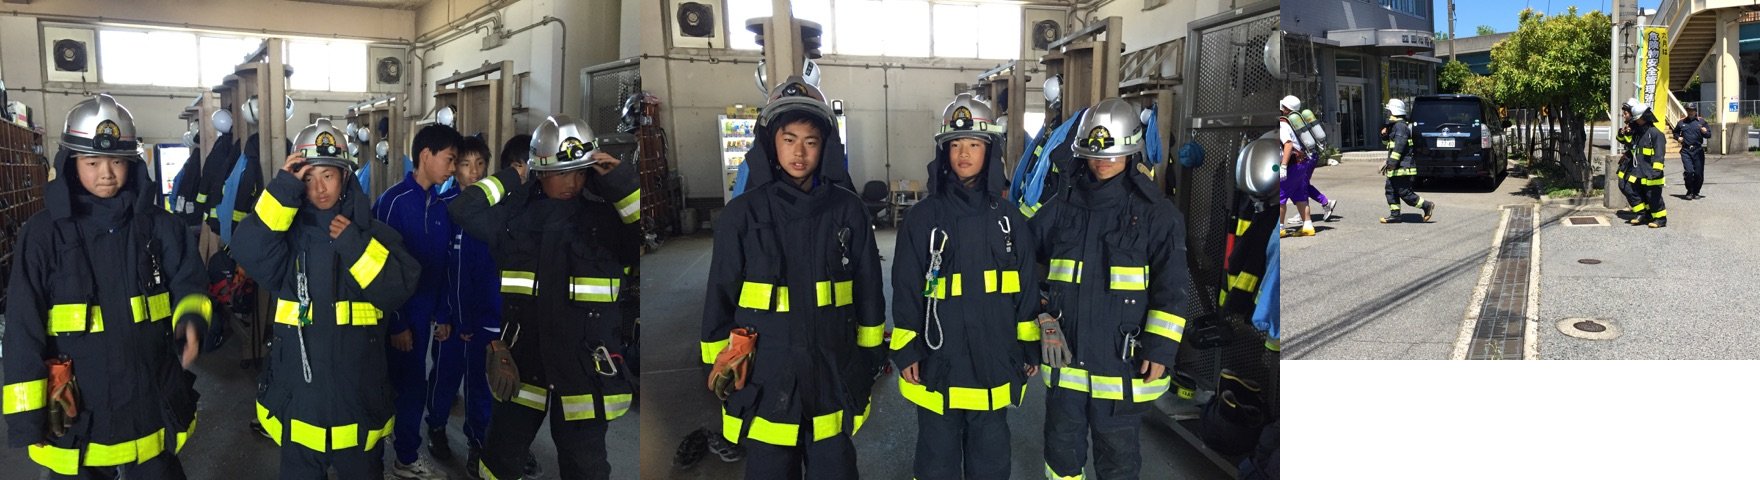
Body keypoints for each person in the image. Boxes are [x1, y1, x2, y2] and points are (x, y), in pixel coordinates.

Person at [3, 94, 214, 479]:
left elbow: (190, 282)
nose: (106, 173)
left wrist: (191, 323)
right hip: (77, 419)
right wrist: (28, 419)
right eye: (92, 162)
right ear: (70, 163)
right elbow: (22, 327)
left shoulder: (160, 227)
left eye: (117, 161)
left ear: (133, 164)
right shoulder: (43, 235)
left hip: (150, 404)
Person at [700, 76, 886, 480]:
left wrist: (868, 361)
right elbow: (720, 295)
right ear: (772, 143)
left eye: (810, 141)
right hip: (766, 378)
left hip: (833, 372)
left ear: (825, 147)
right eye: (789, 140)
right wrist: (718, 364)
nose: (799, 152)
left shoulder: (848, 210)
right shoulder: (741, 215)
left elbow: (869, 290)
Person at [450, 116, 641, 480]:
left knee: (585, 466)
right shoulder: (514, 218)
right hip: (523, 364)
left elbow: (642, 233)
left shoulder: (606, 221)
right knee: (500, 460)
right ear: (539, 171)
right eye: (561, 173)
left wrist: (620, 181)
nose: (572, 183)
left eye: (580, 172)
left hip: (584, 370)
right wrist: (511, 177)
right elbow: (463, 209)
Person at [232, 118, 421, 479]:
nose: (319, 188)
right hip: (300, 407)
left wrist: (355, 246)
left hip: (358, 407)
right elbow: (247, 247)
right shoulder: (285, 241)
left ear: (345, 176)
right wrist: (281, 191)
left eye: (328, 175)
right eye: (308, 178)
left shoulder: (372, 235)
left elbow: (398, 287)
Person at [1030, 98, 1189, 479]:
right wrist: (1037, 309)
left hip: (1120, 364)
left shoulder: (1156, 214)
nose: (1102, 162)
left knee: (1118, 459)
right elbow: (1021, 254)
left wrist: (1160, 348)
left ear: (1132, 151)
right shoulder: (1062, 205)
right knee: (1061, 453)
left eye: (1112, 154)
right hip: (1066, 361)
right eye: (1094, 154)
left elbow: (1171, 287)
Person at [890, 94, 1041, 480]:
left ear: (989, 150)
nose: (963, 154)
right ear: (944, 151)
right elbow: (905, 287)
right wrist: (907, 349)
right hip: (937, 363)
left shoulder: (1008, 220)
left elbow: (1025, 288)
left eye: (973, 144)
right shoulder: (923, 218)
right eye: (955, 144)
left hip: (994, 361)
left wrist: (1029, 346)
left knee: (990, 458)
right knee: (936, 460)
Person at [371, 123, 459, 479]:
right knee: (387, 388)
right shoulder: (392, 203)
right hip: (395, 318)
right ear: (426, 155)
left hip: (424, 316)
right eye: (450, 159)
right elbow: (379, 269)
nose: (453, 168)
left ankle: (405, 455)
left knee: (413, 388)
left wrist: (443, 314)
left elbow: (441, 265)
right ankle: (380, 460)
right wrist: (397, 323)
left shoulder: (439, 207)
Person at [428, 134, 500, 474]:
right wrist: (443, 316)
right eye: (466, 164)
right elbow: (440, 269)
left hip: (482, 319)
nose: (474, 172)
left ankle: (477, 442)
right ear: (455, 168)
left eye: (480, 164)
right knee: (444, 378)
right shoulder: (445, 208)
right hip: (451, 321)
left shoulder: (495, 209)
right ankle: (436, 428)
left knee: (479, 385)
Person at [1379, 98, 1436, 224]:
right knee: (1390, 190)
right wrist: (1384, 135)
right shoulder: (1394, 126)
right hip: (1396, 167)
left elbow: (1399, 146)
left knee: (1404, 193)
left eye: (1388, 111)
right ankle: (1395, 215)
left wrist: (1392, 163)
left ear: (1394, 111)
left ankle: (1426, 205)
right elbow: (1388, 144)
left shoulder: (1400, 127)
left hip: (1402, 167)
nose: (1387, 114)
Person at [1278, 96, 1316, 237]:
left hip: (1292, 165)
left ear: (1284, 109)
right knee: (1299, 195)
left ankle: (1280, 228)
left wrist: (1283, 166)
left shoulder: (1282, 125)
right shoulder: (1293, 124)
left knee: (1280, 196)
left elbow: (1288, 144)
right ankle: (1308, 226)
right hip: (1301, 163)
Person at [1629, 102, 1668, 228]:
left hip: (1652, 173)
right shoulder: (1639, 133)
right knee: (1640, 194)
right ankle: (1647, 215)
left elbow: (1659, 154)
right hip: (1640, 171)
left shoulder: (1655, 133)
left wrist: (1656, 172)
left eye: (1638, 118)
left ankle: (1660, 219)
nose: (1636, 121)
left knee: (1653, 196)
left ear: (1644, 117)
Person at [1614, 99, 1649, 217]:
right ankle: (1642, 210)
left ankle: (1642, 212)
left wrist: (1628, 135)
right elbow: (1624, 141)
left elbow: (1633, 145)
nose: (1623, 116)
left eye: (1625, 113)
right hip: (1629, 160)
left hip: (1636, 161)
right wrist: (1621, 134)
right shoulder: (1630, 125)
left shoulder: (1638, 127)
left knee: (1629, 186)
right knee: (1624, 185)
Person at [1673, 103, 1710, 200]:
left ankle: (1696, 192)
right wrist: (1678, 137)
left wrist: (1705, 132)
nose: (1690, 112)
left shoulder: (1701, 121)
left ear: (1695, 111)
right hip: (1686, 150)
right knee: (1689, 172)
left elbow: (1709, 135)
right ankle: (1689, 191)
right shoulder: (1682, 122)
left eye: (1692, 110)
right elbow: (1675, 132)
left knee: (1698, 173)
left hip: (1698, 151)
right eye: (1688, 110)